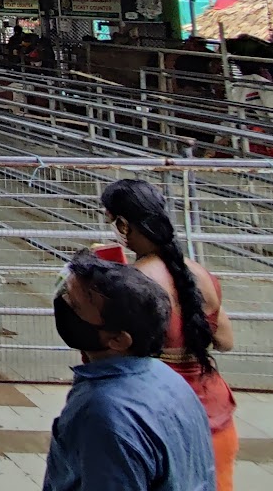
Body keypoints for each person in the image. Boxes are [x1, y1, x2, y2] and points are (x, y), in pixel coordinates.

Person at [101, 179, 237, 489]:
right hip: (213, 418)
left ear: (123, 225)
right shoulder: (200, 275)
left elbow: (108, 353)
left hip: (153, 418)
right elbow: (226, 341)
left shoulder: (131, 283)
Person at [44, 251, 214, 491]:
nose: (63, 305)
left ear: (118, 340)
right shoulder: (166, 378)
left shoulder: (104, 412)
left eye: (75, 305)